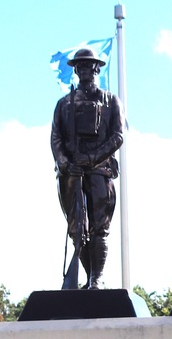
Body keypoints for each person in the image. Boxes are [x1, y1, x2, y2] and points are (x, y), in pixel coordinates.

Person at [50, 47, 125, 290]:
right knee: (76, 229)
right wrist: (65, 163)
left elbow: (117, 136)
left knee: (99, 227)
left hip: (100, 172)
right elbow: (56, 138)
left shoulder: (111, 101)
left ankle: (97, 279)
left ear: (96, 68)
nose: (84, 70)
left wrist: (92, 158)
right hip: (71, 174)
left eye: (88, 66)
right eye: (79, 66)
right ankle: (89, 274)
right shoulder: (63, 104)